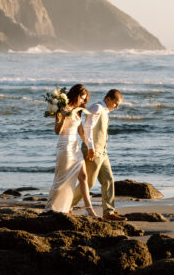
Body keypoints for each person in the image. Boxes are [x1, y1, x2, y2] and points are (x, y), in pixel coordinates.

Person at [45, 83, 99, 217]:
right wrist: (63, 116)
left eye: (84, 99)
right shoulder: (61, 108)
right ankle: (51, 207)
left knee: (83, 177)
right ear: (76, 95)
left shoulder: (77, 110)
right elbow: (57, 131)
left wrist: (90, 147)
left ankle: (89, 209)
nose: (83, 101)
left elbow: (80, 131)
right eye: (82, 98)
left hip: (75, 147)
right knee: (62, 179)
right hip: (64, 147)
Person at [72, 88, 125, 221]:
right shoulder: (97, 108)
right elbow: (88, 128)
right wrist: (90, 148)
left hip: (102, 152)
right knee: (88, 182)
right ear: (108, 99)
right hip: (93, 151)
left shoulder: (105, 111)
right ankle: (67, 205)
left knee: (108, 180)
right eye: (115, 103)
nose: (116, 107)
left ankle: (109, 212)